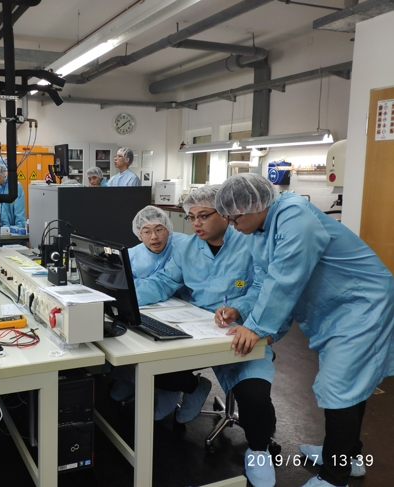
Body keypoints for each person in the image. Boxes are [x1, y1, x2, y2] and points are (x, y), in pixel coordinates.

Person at [214, 173, 394, 487]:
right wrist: (246, 312)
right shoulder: (258, 232)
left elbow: (286, 278)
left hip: (363, 304)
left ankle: (334, 477)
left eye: (234, 217)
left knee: (340, 385)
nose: (231, 224)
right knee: (350, 383)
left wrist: (257, 327)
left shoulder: (294, 215)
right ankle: (347, 455)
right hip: (337, 309)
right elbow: (266, 282)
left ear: (255, 206)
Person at [136, 185, 287, 487]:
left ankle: (259, 452)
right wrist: (121, 297)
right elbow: (164, 281)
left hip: (243, 332)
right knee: (149, 367)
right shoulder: (187, 249)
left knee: (254, 397)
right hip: (197, 331)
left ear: (226, 213)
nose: (196, 224)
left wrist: (239, 307)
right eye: (191, 217)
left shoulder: (250, 242)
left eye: (203, 216)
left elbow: (265, 288)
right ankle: (193, 387)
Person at [111, 206, 207, 422]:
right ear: (139, 234)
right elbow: (127, 283)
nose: (154, 237)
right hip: (154, 309)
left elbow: (166, 282)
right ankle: (133, 381)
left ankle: (182, 386)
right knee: (127, 341)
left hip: (187, 311)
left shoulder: (184, 245)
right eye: (146, 231)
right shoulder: (133, 255)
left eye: (159, 229)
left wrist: (131, 298)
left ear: (168, 228)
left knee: (162, 348)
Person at [0, 161, 26, 229]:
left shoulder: (15, 186)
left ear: (3, 174)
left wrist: (18, 228)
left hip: (13, 229)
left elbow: (19, 210)